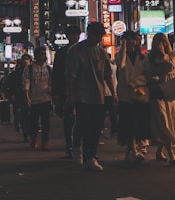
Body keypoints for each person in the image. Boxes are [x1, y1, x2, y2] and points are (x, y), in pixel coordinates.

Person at [66, 21, 116, 171]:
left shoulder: (102, 53)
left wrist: (114, 94)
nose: (98, 39)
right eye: (96, 36)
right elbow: (71, 75)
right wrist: (72, 95)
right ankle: (80, 150)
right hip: (82, 94)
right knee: (83, 123)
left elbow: (108, 75)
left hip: (98, 95)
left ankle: (91, 155)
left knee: (96, 126)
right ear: (89, 34)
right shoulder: (76, 51)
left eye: (100, 36)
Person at [115, 30, 151, 165]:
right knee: (128, 124)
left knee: (138, 123)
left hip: (139, 93)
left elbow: (146, 73)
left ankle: (134, 150)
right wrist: (123, 45)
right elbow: (121, 64)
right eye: (127, 40)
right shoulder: (120, 55)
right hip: (125, 95)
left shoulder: (142, 57)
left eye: (133, 39)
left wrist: (135, 83)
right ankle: (131, 150)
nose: (131, 42)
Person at [146, 33, 175, 166]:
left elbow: (171, 68)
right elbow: (149, 73)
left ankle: (160, 149)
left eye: (162, 42)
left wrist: (163, 55)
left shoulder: (172, 56)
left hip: (169, 92)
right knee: (161, 119)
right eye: (157, 43)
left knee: (168, 121)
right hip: (155, 92)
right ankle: (171, 151)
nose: (160, 45)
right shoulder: (149, 58)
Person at [51, 25, 81, 159]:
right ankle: (70, 146)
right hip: (66, 91)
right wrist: (56, 93)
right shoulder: (62, 52)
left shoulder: (84, 50)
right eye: (72, 35)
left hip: (83, 90)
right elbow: (57, 73)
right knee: (69, 120)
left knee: (81, 119)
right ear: (67, 37)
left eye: (77, 35)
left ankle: (78, 145)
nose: (75, 37)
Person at [24, 46, 53, 150]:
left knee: (46, 123)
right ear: (36, 56)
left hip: (46, 99)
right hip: (34, 100)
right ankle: (34, 140)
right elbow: (26, 84)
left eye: (44, 54)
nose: (44, 56)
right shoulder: (29, 68)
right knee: (33, 122)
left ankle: (45, 142)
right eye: (41, 54)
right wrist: (27, 97)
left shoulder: (48, 69)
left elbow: (51, 83)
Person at [4, 53, 31, 142]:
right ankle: (26, 132)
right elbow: (10, 84)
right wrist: (11, 94)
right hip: (21, 96)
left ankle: (26, 131)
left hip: (30, 95)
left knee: (26, 114)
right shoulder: (18, 72)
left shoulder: (31, 70)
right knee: (25, 114)